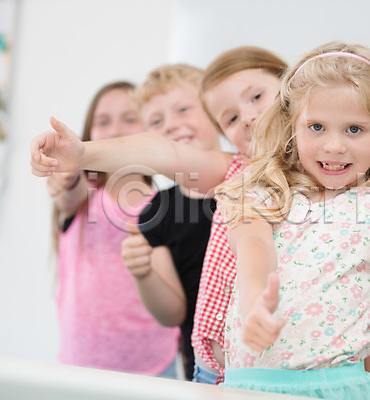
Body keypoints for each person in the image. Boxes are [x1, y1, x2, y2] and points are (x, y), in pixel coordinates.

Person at [28, 46, 370, 384]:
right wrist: (84, 154)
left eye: (257, 97)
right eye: (230, 117)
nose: (247, 117)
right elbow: (163, 152)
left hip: (294, 378)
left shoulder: (338, 190)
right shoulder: (235, 171)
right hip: (211, 375)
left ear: (291, 96)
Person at [215, 41, 370, 399]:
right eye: (316, 127)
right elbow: (254, 247)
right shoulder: (262, 193)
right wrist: (255, 302)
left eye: (354, 129)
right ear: (292, 126)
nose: (334, 146)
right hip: (242, 390)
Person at [48, 81, 180, 377]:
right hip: (79, 365)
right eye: (103, 121)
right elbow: (68, 194)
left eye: (130, 119)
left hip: (155, 367)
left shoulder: (167, 206)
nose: (116, 130)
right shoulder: (83, 194)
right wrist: (68, 178)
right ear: (89, 134)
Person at [120, 64, 222, 381]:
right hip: (205, 369)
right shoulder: (157, 213)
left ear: (215, 112)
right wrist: (143, 273)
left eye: (183, 110)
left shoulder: (254, 182)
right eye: (156, 121)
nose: (172, 125)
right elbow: (172, 313)